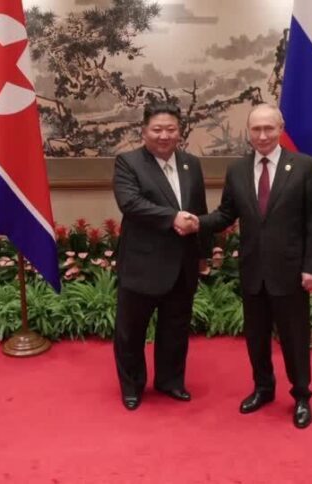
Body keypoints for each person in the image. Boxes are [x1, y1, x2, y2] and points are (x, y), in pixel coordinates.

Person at [199, 104, 312, 429]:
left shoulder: (304, 166)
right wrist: (196, 223)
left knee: (294, 338)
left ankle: (301, 395)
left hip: (291, 272)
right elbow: (226, 214)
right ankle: (263, 388)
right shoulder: (237, 170)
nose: (263, 135)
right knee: (256, 337)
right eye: (256, 129)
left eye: (269, 128)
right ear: (249, 132)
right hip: (253, 270)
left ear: (280, 128)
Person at [112, 103, 208, 410]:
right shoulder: (128, 162)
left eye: (170, 129)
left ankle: (170, 381)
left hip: (182, 264)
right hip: (142, 264)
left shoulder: (191, 164)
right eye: (157, 129)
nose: (164, 136)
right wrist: (172, 218)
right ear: (143, 131)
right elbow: (130, 203)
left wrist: (203, 254)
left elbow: (200, 209)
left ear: (180, 132)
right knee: (131, 332)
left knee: (175, 329)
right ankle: (132, 386)